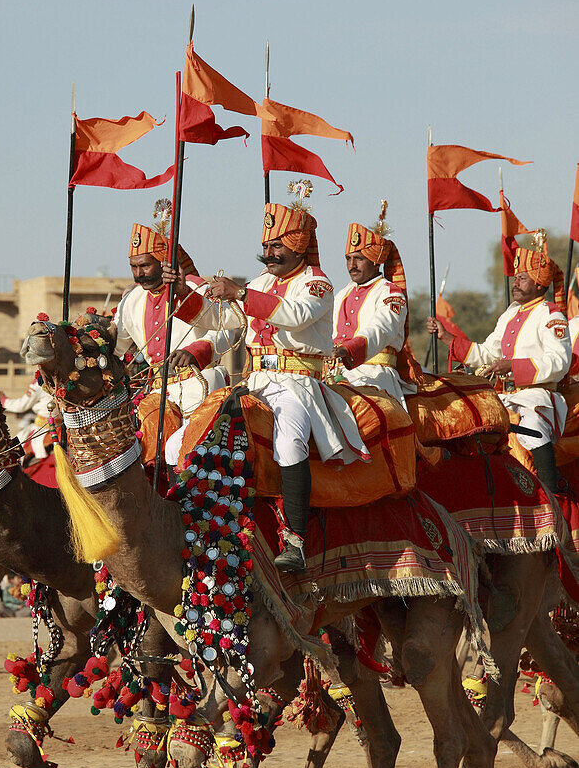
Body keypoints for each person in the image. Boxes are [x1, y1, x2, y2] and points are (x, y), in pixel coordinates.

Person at [207, 186, 367, 572]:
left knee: (290, 442)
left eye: (278, 245)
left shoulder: (318, 282)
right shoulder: (260, 283)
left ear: (300, 247)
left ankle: (295, 541)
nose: (270, 252)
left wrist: (240, 293)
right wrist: (189, 295)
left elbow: (294, 315)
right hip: (254, 381)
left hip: (296, 383)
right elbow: (223, 323)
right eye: (267, 244)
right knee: (195, 431)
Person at [427, 232, 571, 491]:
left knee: (531, 424)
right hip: (505, 396)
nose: (515, 282)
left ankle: (552, 490)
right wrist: (447, 337)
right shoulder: (510, 315)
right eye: (515, 278)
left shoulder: (551, 315)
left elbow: (560, 362)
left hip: (539, 397)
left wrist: (514, 367)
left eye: (522, 278)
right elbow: (486, 353)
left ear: (539, 284)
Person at [114, 210, 230, 467]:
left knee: (188, 456)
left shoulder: (197, 287)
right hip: (158, 391)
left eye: (145, 266)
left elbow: (225, 328)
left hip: (201, 386)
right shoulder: (130, 301)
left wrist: (197, 350)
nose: (138, 274)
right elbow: (116, 347)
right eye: (134, 267)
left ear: (165, 262)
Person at [332, 201, 419, 407]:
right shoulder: (341, 294)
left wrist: (348, 349)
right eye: (348, 259)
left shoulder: (391, 293)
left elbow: (381, 329)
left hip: (377, 375)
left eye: (359, 259)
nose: (352, 266)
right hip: (337, 373)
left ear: (375, 261)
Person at [1, 380, 54, 461]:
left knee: (16, 452)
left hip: (42, 430)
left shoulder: (40, 384)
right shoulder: (68, 382)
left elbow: (21, 406)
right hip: (63, 426)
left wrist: (3, 400)